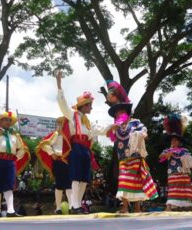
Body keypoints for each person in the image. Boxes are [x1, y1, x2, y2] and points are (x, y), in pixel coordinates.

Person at [56, 71, 112, 214]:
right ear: (84, 105)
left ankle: (78, 205)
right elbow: (62, 103)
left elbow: (98, 130)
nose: (91, 108)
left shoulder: (87, 122)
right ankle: (74, 206)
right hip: (76, 148)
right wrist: (59, 84)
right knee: (75, 177)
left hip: (86, 150)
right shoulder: (72, 115)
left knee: (84, 179)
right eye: (90, 105)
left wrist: (113, 127)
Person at [106, 80, 158, 213]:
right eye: (116, 113)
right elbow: (109, 136)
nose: (118, 114)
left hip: (135, 157)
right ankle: (124, 207)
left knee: (136, 182)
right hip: (123, 158)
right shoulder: (116, 127)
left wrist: (136, 134)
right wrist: (111, 129)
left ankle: (137, 208)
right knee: (123, 180)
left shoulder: (135, 123)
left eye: (120, 111)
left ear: (126, 112)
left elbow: (144, 133)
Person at [36, 116, 72, 214]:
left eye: (64, 124)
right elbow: (44, 144)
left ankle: (72, 206)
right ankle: (58, 208)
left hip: (68, 162)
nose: (62, 126)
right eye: (61, 124)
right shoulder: (56, 134)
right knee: (60, 184)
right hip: (59, 161)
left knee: (70, 185)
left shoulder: (70, 135)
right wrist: (52, 154)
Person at [159, 114, 192, 211]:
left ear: (179, 142)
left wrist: (186, 159)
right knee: (172, 189)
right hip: (172, 173)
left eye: (175, 140)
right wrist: (167, 155)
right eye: (172, 140)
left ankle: (183, 208)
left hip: (183, 173)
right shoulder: (167, 150)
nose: (173, 141)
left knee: (183, 190)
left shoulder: (184, 150)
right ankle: (169, 207)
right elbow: (161, 156)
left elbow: (190, 162)